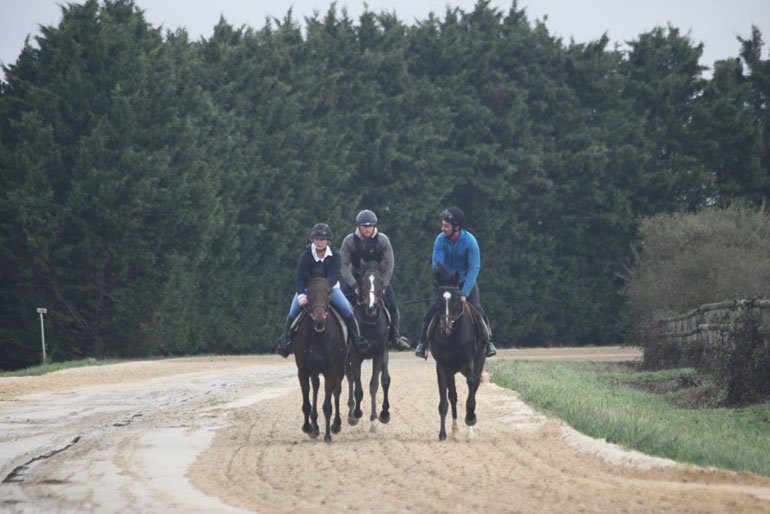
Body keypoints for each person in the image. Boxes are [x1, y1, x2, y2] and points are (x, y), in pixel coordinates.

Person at [276, 223, 369, 358]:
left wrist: (323, 292)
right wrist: (301, 295)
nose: (319, 242)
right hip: (308, 290)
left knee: (347, 310)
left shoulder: (335, 256)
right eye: (317, 239)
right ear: (313, 240)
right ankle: (286, 342)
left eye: (323, 239)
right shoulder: (306, 256)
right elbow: (300, 279)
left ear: (328, 241)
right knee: (293, 312)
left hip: (330, 290)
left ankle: (356, 340)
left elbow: (333, 278)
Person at [414, 207, 497, 358]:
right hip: (445, 283)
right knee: (432, 309)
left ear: (456, 227)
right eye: (443, 225)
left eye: (446, 226)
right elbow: (436, 266)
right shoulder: (440, 239)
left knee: (477, 309)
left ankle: (488, 342)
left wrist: (464, 292)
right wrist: (444, 286)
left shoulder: (470, 241)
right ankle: (422, 343)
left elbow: (474, 268)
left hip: (465, 282)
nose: (442, 228)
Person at [340, 210, 410, 351]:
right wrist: (354, 285)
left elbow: (389, 265)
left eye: (370, 226)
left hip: (377, 281)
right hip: (357, 279)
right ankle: (341, 339)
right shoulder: (349, 241)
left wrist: (383, 285)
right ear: (358, 226)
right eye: (364, 226)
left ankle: (395, 337)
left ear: (374, 226)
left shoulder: (383, 240)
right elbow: (343, 265)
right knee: (340, 306)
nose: (367, 229)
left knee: (393, 306)